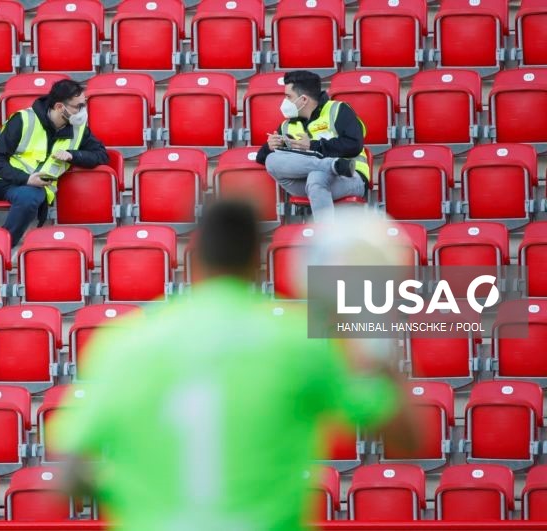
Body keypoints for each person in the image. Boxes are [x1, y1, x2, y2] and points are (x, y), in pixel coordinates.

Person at [52, 201, 412, 530]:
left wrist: (133, 493)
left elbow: (68, 477)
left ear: (193, 258)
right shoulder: (297, 342)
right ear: (258, 261)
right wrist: (370, 332)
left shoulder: (123, 343)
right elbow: (405, 436)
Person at [0, 79, 109, 246]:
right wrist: (26, 178)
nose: (83, 111)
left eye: (83, 105)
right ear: (59, 107)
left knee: (28, 200)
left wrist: (73, 155)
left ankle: (3, 245)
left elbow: (101, 155)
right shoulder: (24, 120)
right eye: (78, 106)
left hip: (33, 187)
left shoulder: (78, 129)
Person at [256, 70, 370, 224]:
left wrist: (313, 146)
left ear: (303, 99)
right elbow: (262, 159)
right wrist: (269, 147)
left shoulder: (338, 110)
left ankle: (325, 239)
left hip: (348, 177)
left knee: (317, 176)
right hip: (304, 182)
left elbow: (354, 145)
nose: (285, 101)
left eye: (288, 97)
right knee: (271, 160)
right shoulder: (288, 124)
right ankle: (332, 165)